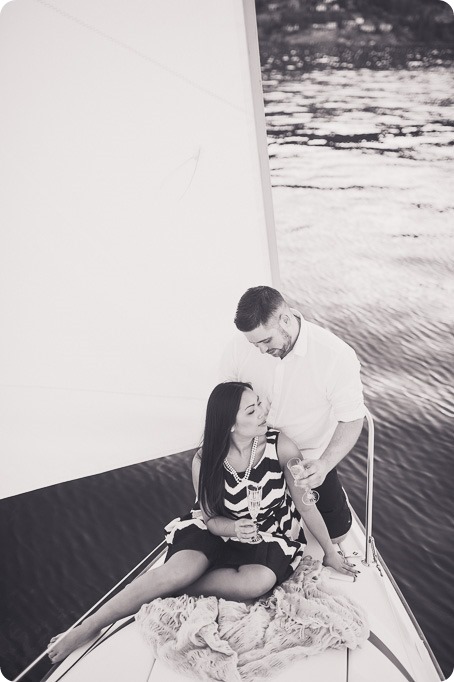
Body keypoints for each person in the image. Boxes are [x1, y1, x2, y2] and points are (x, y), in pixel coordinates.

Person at [48, 381, 358, 664]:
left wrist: (331, 553)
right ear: (229, 424)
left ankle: (165, 587)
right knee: (179, 569)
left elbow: (306, 507)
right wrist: (233, 528)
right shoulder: (206, 459)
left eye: (260, 405)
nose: (264, 412)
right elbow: (209, 518)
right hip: (220, 529)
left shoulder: (282, 447)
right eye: (252, 410)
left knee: (257, 583)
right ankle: (86, 627)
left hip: (271, 532)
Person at [220, 286, 366, 544]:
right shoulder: (238, 348)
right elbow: (224, 403)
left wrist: (324, 464)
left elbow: (352, 419)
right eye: (254, 344)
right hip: (252, 456)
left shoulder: (334, 356)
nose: (261, 351)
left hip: (306, 462)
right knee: (238, 535)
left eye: (266, 341)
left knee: (337, 535)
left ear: (285, 319)